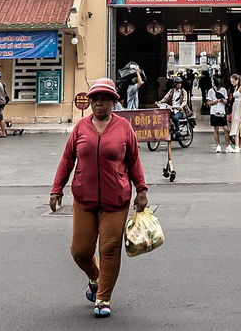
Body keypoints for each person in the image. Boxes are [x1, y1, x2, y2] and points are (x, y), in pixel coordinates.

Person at [50, 78, 148, 319]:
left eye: (105, 99)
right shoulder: (81, 128)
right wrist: (57, 188)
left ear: (114, 102)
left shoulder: (124, 128)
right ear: (90, 102)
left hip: (116, 201)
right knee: (80, 251)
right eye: (95, 99)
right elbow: (67, 159)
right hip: (84, 198)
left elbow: (133, 160)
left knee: (110, 248)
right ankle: (94, 276)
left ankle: (103, 297)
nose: (99, 103)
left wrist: (142, 190)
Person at [207, 76, 230, 153]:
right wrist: (216, 101)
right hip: (214, 112)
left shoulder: (223, 90)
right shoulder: (210, 91)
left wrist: (223, 100)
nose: (218, 88)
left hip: (222, 111)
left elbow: (226, 101)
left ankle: (228, 146)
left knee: (226, 129)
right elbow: (209, 103)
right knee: (216, 129)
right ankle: (218, 145)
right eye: (217, 86)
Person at [229, 74, 241, 153]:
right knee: (237, 125)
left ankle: (237, 146)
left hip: (239, 106)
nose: (232, 83)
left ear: (237, 80)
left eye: (233, 81)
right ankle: (239, 146)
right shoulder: (236, 87)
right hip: (235, 106)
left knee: (237, 125)